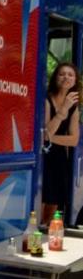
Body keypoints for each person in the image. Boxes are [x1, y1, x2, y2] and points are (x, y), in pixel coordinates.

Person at [41, 62, 80, 227]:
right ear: (55, 78)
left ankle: (44, 237)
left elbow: (73, 140)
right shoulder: (47, 99)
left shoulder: (74, 106)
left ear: (75, 80)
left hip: (58, 158)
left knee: (53, 203)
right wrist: (63, 110)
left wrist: (50, 137)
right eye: (62, 74)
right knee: (41, 202)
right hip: (44, 157)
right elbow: (45, 133)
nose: (66, 78)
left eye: (70, 75)